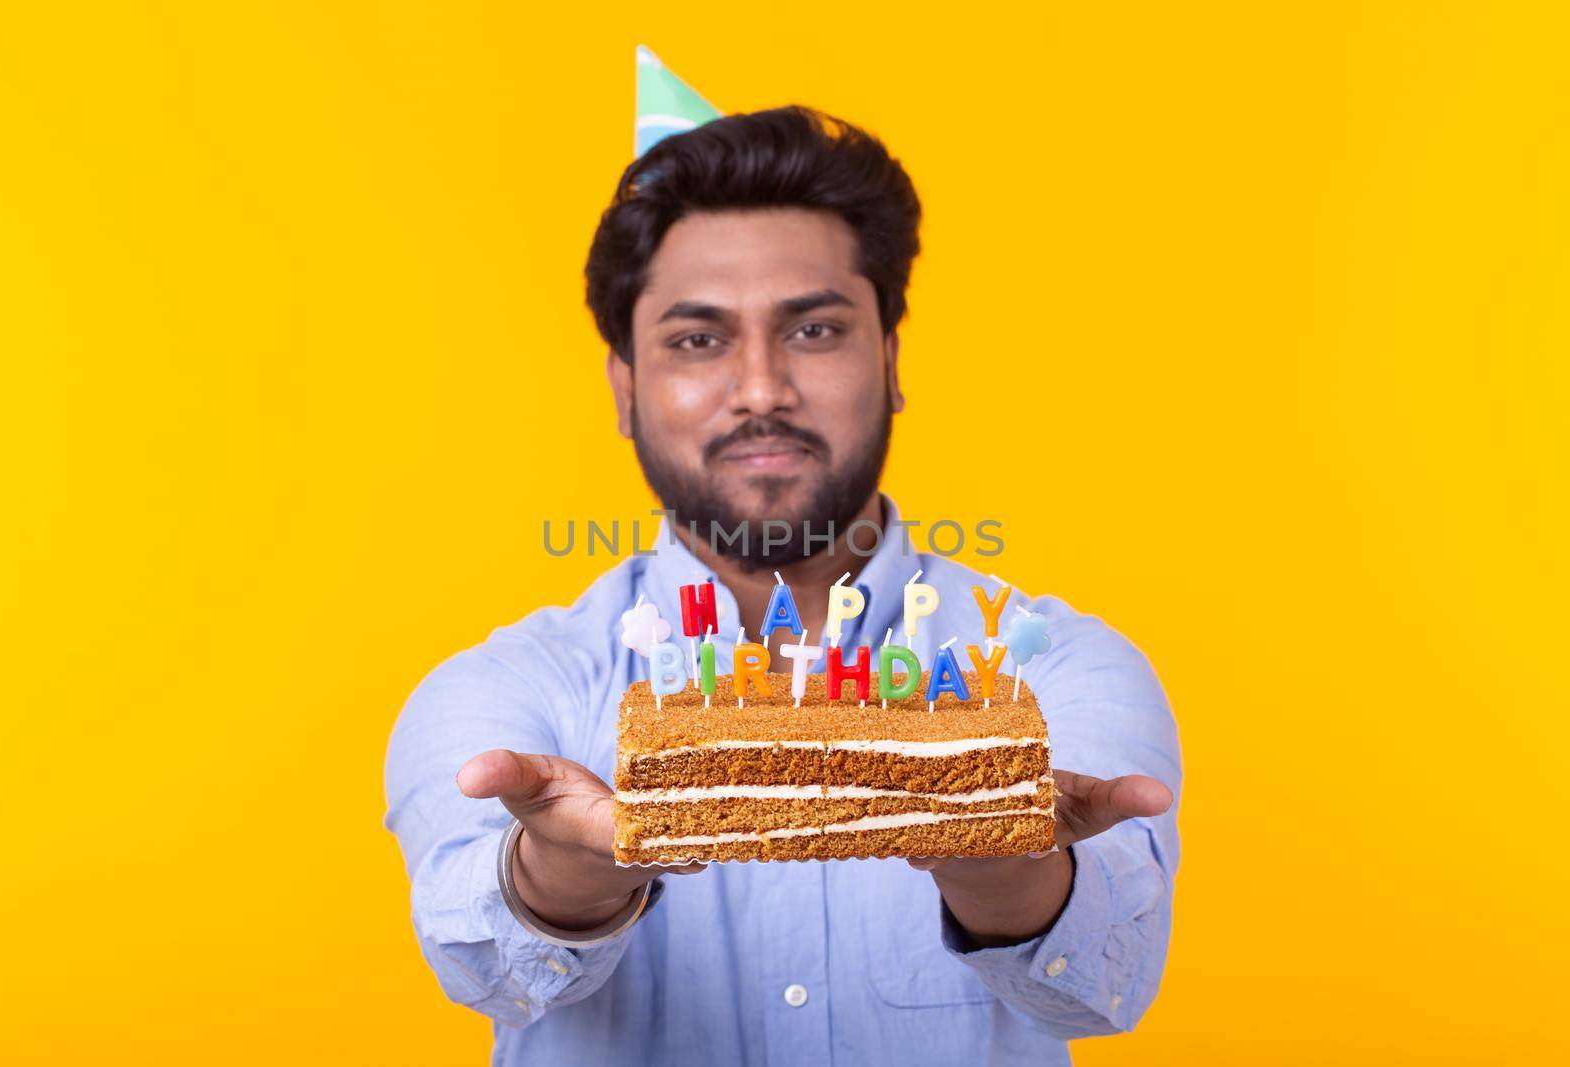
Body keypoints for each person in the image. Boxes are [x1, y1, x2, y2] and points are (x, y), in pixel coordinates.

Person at [384, 106, 1181, 1066]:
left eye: (812, 327)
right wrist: (558, 876)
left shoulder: (1054, 673)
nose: (761, 387)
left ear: (888, 360)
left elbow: (1105, 985)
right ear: (624, 388)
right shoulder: (510, 695)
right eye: (696, 339)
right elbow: (479, 964)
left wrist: (1009, 872)